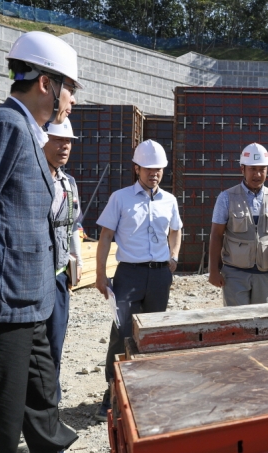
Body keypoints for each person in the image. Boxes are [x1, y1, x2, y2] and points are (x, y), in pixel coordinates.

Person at [0, 31, 81, 452]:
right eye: (69, 89)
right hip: (4, 309)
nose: (71, 101)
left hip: (35, 304)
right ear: (45, 84)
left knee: (44, 407)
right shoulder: (5, 126)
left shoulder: (27, 131)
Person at [94, 139, 182, 421]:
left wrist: (174, 256)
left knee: (152, 334)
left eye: (158, 169)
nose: (153, 173)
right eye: (148, 168)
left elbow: (176, 230)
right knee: (121, 334)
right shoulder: (120, 198)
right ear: (136, 168)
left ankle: (144, 392)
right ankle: (111, 396)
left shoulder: (169, 200)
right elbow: (106, 236)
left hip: (158, 275)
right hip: (128, 275)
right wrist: (99, 274)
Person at [208, 143, 268, 305]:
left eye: (262, 169)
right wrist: (213, 271)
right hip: (235, 274)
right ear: (242, 169)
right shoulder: (226, 198)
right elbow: (216, 235)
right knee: (236, 322)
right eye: (253, 169)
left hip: (265, 275)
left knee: (263, 323)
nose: (257, 174)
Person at [43, 118, 83, 403]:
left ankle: (49, 408)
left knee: (54, 345)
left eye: (67, 141)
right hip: (28, 278)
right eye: (58, 140)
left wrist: (77, 261)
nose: (64, 146)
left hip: (57, 276)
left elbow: (71, 227)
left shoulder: (68, 184)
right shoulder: (29, 176)